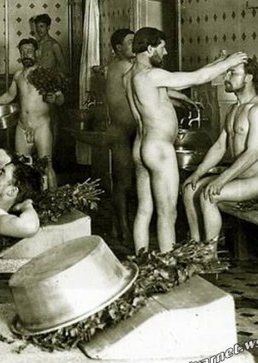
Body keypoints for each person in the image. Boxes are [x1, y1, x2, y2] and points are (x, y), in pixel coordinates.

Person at [124, 27, 247, 253]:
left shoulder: (130, 76)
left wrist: (217, 62)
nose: (166, 52)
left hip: (140, 146)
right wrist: (229, 63)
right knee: (167, 212)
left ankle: (142, 261)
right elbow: (195, 78)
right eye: (162, 47)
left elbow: (188, 78)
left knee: (144, 210)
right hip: (159, 148)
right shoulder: (152, 75)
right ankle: (168, 266)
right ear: (150, 48)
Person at [182, 58, 258, 245]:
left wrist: (221, 179)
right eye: (227, 72)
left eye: (233, 73)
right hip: (239, 178)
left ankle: (210, 257)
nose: (227, 77)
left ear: (248, 77)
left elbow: (253, 153)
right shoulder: (233, 109)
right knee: (189, 190)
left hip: (255, 180)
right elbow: (219, 146)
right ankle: (196, 249)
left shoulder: (255, 110)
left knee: (210, 195)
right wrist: (198, 173)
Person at [0, 38, 64, 189]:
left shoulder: (46, 74)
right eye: (23, 52)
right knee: (21, 166)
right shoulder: (18, 75)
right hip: (22, 126)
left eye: (29, 51)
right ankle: (28, 199)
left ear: (37, 52)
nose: (26, 55)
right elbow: (9, 96)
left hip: (41, 125)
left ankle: (54, 201)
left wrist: (54, 98)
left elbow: (60, 99)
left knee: (47, 165)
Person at [103, 28, 136, 246]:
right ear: (118, 48)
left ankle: (118, 224)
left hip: (123, 130)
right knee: (124, 182)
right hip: (123, 131)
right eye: (131, 42)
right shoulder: (124, 67)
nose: (136, 45)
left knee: (122, 182)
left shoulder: (114, 67)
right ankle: (124, 227)